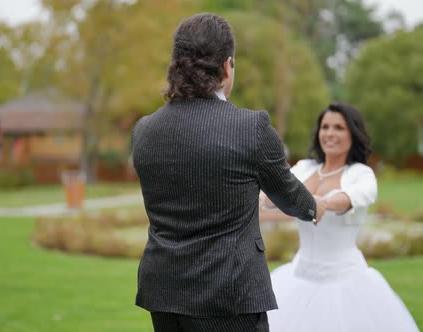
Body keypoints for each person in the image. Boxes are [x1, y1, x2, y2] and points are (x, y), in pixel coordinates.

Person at [131, 13, 326, 332]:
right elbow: (290, 197)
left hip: (163, 292)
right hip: (228, 297)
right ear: (226, 66)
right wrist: (317, 206)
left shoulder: (144, 130)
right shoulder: (251, 128)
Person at [260, 103, 419, 331]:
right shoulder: (304, 168)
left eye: (338, 128)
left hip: (346, 279)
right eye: (325, 127)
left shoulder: (361, 175)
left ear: (353, 134)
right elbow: (277, 193)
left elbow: (349, 198)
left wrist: (321, 202)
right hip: (299, 275)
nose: (330, 134)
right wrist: (263, 198)